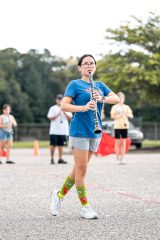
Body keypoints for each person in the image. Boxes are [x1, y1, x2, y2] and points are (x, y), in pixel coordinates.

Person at [50, 54, 120, 219]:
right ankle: (85, 207)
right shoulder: (75, 84)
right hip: (79, 131)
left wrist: (101, 98)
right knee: (82, 170)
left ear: (95, 67)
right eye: (86, 63)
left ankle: (58, 196)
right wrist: (83, 107)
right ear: (80, 67)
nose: (89, 66)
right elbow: (64, 105)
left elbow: (116, 99)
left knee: (77, 170)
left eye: (92, 63)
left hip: (94, 132)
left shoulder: (100, 85)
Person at [47, 94, 72, 164]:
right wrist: (58, 114)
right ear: (56, 100)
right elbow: (50, 117)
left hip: (63, 130)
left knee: (61, 145)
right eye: (59, 99)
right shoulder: (52, 108)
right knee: (53, 145)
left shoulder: (67, 107)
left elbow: (70, 118)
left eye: (61, 99)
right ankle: (52, 158)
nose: (60, 101)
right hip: (54, 130)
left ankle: (60, 158)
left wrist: (64, 112)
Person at [110, 92, 133, 164]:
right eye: (120, 98)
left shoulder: (126, 107)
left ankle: (122, 158)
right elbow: (112, 116)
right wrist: (119, 115)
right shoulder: (114, 107)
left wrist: (127, 114)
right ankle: (117, 157)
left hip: (125, 126)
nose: (121, 99)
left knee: (124, 142)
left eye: (122, 98)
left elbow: (131, 115)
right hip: (117, 126)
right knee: (117, 142)